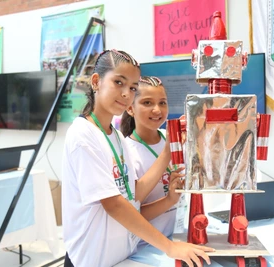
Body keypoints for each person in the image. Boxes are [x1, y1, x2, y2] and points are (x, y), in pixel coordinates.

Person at [62, 49, 214, 267]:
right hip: (90, 260)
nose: (126, 93)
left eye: (132, 88)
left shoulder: (116, 138)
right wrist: (170, 248)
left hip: (120, 256)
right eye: (119, 82)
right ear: (96, 81)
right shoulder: (82, 135)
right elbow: (114, 205)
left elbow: (133, 196)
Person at [120, 76, 187, 250]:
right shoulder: (126, 151)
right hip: (146, 247)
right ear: (130, 108)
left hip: (177, 237)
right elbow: (130, 212)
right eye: (147, 103)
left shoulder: (172, 136)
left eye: (162, 103)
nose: (157, 110)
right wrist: (169, 200)